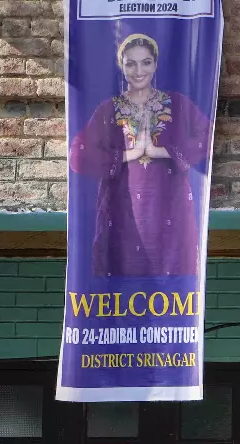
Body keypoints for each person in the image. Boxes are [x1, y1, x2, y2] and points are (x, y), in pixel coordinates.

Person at [67, 34, 212, 278]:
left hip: (168, 208)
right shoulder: (109, 109)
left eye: (145, 62)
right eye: (130, 64)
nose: (138, 71)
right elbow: (78, 155)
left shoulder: (176, 103)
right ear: (121, 67)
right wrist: (128, 155)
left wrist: (162, 151)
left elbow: (207, 136)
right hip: (121, 211)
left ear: (155, 64)